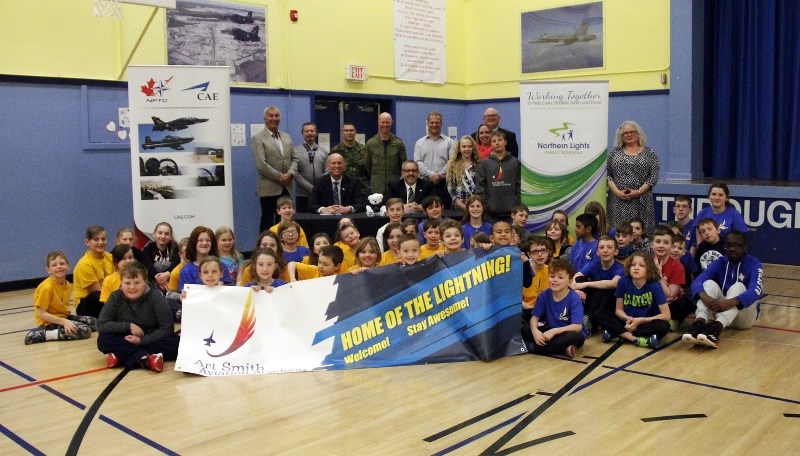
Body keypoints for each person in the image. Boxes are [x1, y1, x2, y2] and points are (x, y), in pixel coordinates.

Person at [683, 230, 763, 348]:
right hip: (721, 311)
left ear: (745, 247)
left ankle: (716, 329)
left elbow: (756, 291)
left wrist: (730, 302)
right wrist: (705, 297)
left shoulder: (754, 264)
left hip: (744, 318)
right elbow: (698, 281)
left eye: (736, 245)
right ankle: (699, 323)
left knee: (738, 286)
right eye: (729, 245)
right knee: (708, 283)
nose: (732, 249)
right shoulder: (721, 262)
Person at [97, 262, 179, 372]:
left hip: (152, 338)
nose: (132, 287)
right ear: (121, 282)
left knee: (178, 345)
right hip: (125, 337)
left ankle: (121, 355)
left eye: (137, 282)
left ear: (145, 282)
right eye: (127, 283)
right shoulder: (115, 297)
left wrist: (141, 341)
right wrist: (128, 326)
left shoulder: (156, 298)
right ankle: (146, 358)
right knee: (104, 339)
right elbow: (101, 325)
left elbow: (167, 328)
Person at [595, 252, 671, 348]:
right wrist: (628, 319)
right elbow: (618, 310)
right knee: (598, 313)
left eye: (641, 265)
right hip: (626, 321)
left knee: (664, 326)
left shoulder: (654, 285)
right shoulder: (623, 282)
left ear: (649, 269)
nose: (636, 268)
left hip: (644, 323)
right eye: (633, 265)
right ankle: (635, 339)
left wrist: (640, 321)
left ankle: (618, 334)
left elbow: (666, 315)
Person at [25, 251, 97, 345]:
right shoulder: (47, 288)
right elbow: (40, 313)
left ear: (68, 266)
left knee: (94, 322)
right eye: (54, 265)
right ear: (48, 269)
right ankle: (44, 334)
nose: (59, 266)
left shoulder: (68, 285)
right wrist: (64, 322)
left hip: (63, 318)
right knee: (85, 331)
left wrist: (66, 320)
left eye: (62, 263)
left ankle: (64, 326)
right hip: (49, 323)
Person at [606, 120, 660, 237]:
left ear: (638, 134)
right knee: (619, 235)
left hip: (642, 201)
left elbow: (653, 176)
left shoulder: (649, 153)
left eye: (632, 132)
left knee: (641, 236)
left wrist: (638, 191)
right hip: (617, 202)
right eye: (625, 133)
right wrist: (617, 192)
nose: (629, 135)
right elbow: (607, 174)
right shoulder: (614, 153)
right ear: (621, 136)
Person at [524, 258, 585, 358]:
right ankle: (562, 349)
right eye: (552, 276)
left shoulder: (574, 298)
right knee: (526, 329)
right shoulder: (544, 295)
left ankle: (533, 348)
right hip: (549, 331)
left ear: (569, 282)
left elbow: (577, 326)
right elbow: (534, 318)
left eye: (560, 278)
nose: (555, 280)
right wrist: (535, 331)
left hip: (565, 333)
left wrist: (554, 331)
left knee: (576, 337)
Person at [252, 106, 298, 231]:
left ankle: (284, 247)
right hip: (269, 189)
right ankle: (265, 248)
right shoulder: (258, 138)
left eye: (276, 116)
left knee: (285, 221)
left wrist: (289, 174)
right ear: (265, 118)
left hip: (286, 187)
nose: (274, 118)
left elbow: (295, 159)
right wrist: (280, 177)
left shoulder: (286, 137)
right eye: (270, 116)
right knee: (267, 220)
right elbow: (261, 164)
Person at [572, 235, 624, 334]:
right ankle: (583, 318)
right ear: (597, 252)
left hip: (610, 303)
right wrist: (576, 289)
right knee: (580, 279)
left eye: (609, 247)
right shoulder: (593, 264)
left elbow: (614, 283)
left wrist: (586, 284)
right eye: (601, 247)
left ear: (616, 251)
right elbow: (577, 276)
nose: (605, 250)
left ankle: (588, 318)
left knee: (603, 290)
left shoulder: (620, 268)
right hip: (594, 300)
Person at [475, 131, 521, 221]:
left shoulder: (515, 162)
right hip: (490, 214)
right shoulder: (484, 163)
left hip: (511, 213)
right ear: (491, 144)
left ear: (505, 142)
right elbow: (480, 187)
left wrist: (515, 201)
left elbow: (519, 185)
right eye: (494, 141)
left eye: (500, 140)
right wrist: (487, 204)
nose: (497, 143)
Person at [690, 182, 748, 254]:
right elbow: (697, 243)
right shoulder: (702, 214)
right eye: (713, 194)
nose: (716, 198)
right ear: (709, 196)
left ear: (726, 197)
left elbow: (741, 241)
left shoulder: (735, 215)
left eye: (720, 195)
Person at [414, 111, 454, 207]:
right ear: (427, 123)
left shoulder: (450, 142)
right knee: (425, 210)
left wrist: (439, 175)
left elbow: (452, 161)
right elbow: (417, 162)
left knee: (445, 211)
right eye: (432, 122)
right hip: (425, 183)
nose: (434, 125)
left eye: (437, 122)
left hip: (444, 184)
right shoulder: (420, 143)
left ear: (441, 123)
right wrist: (431, 175)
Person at [74, 225, 114, 318]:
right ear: (87, 242)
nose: (100, 242)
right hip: (85, 306)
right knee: (96, 296)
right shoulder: (84, 264)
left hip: (107, 298)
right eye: (96, 240)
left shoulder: (110, 257)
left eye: (103, 239)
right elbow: (99, 292)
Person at [363, 112, 407, 196]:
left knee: (394, 205)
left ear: (391, 123)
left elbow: (403, 163)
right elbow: (367, 164)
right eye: (383, 122)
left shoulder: (398, 143)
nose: (385, 125)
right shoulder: (370, 143)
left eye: (388, 122)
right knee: (377, 207)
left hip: (394, 183)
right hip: (377, 184)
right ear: (378, 122)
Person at [178, 226, 232, 290]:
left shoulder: (222, 266)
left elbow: (228, 291)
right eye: (200, 240)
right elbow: (186, 294)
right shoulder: (186, 270)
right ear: (194, 243)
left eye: (208, 240)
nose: (204, 243)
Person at [293, 122, 328, 212]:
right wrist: (309, 187)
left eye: (312, 131)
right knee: (303, 222)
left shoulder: (323, 151)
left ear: (316, 133)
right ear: (303, 133)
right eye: (307, 131)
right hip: (302, 194)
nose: (309, 133)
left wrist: (319, 186)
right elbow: (295, 173)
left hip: (320, 194)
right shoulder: (295, 151)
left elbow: (327, 170)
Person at [140, 222, 180, 294]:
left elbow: (176, 264)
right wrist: (160, 279)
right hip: (153, 281)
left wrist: (167, 274)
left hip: (170, 281)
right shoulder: (148, 249)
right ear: (154, 234)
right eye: (160, 233)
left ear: (171, 237)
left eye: (166, 234)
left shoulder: (175, 248)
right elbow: (148, 265)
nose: (163, 236)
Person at [330, 122, 369, 192]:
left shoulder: (364, 150)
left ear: (355, 132)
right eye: (346, 130)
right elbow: (331, 171)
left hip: (360, 189)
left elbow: (368, 170)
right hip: (342, 189)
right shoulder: (335, 150)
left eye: (351, 130)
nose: (349, 132)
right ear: (342, 133)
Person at [446, 135, 481, 211]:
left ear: (473, 148)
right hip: (458, 207)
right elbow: (451, 188)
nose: (467, 149)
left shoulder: (479, 164)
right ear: (459, 149)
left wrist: (475, 206)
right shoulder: (452, 165)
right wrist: (460, 204)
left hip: (476, 207)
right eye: (464, 146)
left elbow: (482, 186)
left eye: (469, 146)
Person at [521, 237, 551, 308]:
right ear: (529, 254)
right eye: (535, 252)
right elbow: (516, 299)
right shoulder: (523, 271)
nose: (540, 254)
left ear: (547, 252)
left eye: (543, 250)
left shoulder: (552, 270)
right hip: (528, 310)